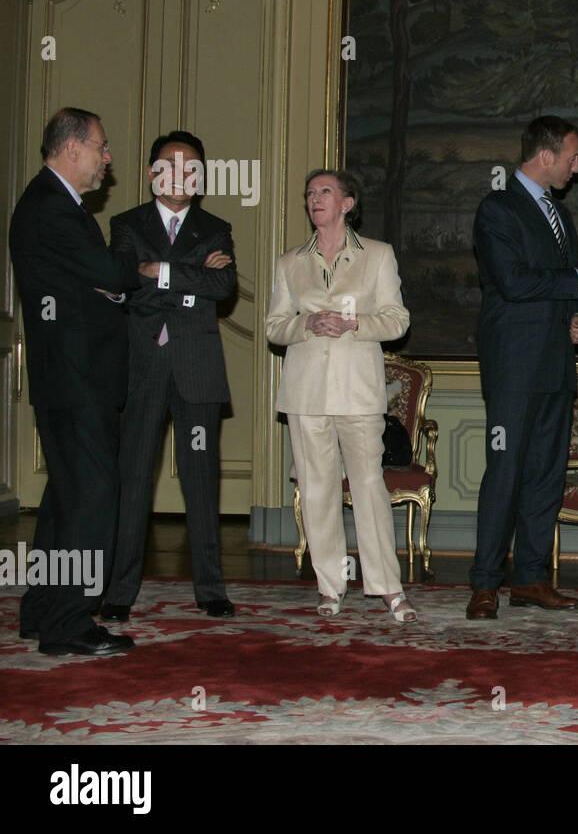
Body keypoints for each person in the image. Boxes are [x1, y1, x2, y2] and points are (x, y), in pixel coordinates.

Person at [468, 116, 578, 619]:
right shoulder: (498, 208)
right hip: (514, 366)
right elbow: (511, 281)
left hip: (555, 364)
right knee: (505, 471)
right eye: (572, 155)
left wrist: (576, 316)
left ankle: (530, 578)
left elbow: (561, 291)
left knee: (546, 476)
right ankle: (485, 582)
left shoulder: (561, 215)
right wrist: (575, 279)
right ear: (545, 155)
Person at [10, 107, 137, 655]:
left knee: (66, 498)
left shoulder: (51, 203)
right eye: (102, 147)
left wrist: (107, 285)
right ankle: (70, 623)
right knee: (91, 498)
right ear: (72, 149)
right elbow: (109, 275)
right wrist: (132, 270)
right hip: (77, 377)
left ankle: (42, 610)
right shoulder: (52, 207)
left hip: (68, 377)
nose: (108, 159)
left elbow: (91, 284)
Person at [265, 170, 416, 622]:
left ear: (348, 203)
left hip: (358, 391)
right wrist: (304, 325)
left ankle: (388, 587)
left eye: (324, 192)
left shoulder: (377, 255)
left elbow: (397, 320)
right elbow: (275, 327)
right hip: (306, 391)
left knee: (369, 486)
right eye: (309, 193)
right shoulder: (290, 261)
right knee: (316, 490)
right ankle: (330, 586)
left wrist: (356, 324)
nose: (315, 199)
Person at [101, 131, 238, 622]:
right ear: (152, 172)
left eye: (191, 168)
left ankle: (211, 589)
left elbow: (222, 286)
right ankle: (119, 591)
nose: (181, 176)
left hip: (197, 369)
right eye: (170, 166)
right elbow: (123, 281)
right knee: (133, 477)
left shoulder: (215, 227)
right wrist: (186, 276)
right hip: (142, 367)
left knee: (202, 480)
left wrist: (158, 270)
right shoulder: (126, 223)